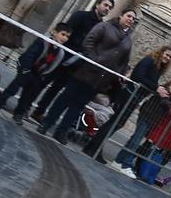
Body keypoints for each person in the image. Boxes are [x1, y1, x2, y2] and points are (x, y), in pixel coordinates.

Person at [37, 10, 136, 142]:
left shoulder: (128, 40)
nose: (130, 19)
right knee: (65, 98)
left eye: (133, 18)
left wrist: (113, 75)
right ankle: (47, 123)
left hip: (100, 79)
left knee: (78, 105)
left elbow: (124, 62)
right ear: (121, 16)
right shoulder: (105, 26)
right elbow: (88, 42)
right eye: (128, 16)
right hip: (85, 71)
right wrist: (94, 60)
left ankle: (61, 131)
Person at [30, 0, 116, 119]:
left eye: (110, 8)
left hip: (77, 63)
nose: (107, 9)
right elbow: (66, 32)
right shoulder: (81, 15)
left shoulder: (102, 27)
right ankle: (26, 105)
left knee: (56, 88)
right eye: (105, 5)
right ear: (97, 4)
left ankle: (39, 112)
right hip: (62, 56)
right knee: (43, 82)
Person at [84, 44, 171, 160]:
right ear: (161, 52)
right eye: (167, 54)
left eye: (170, 57)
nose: (168, 58)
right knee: (114, 123)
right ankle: (94, 148)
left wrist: (158, 89)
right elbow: (137, 76)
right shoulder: (149, 60)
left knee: (116, 123)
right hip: (129, 95)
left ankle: (93, 146)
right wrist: (156, 87)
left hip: (135, 98)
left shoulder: (157, 67)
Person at [0, 22, 72, 122]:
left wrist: (42, 76)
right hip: (26, 68)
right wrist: (25, 70)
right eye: (63, 34)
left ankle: (18, 113)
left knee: (27, 96)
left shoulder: (60, 52)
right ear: (54, 32)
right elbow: (30, 55)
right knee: (13, 88)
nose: (64, 38)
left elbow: (52, 66)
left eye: (67, 37)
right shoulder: (42, 41)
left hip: (38, 73)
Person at [112, 78, 171, 176]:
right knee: (136, 140)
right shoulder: (163, 93)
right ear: (168, 86)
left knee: (135, 139)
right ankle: (126, 164)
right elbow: (163, 103)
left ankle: (118, 160)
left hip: (152, 120)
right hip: (146, 116)